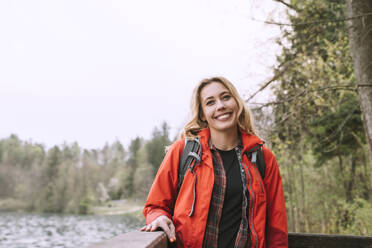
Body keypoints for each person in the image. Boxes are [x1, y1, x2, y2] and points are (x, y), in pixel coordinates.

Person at [141, 76, 288, 248]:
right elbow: (154, 206)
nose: (220, 106)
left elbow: (276, 228)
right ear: (203, 113)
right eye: (210, 102)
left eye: (226, 97)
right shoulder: (183, 152)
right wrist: (158, 217)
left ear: (236, 102)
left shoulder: (262, 158)